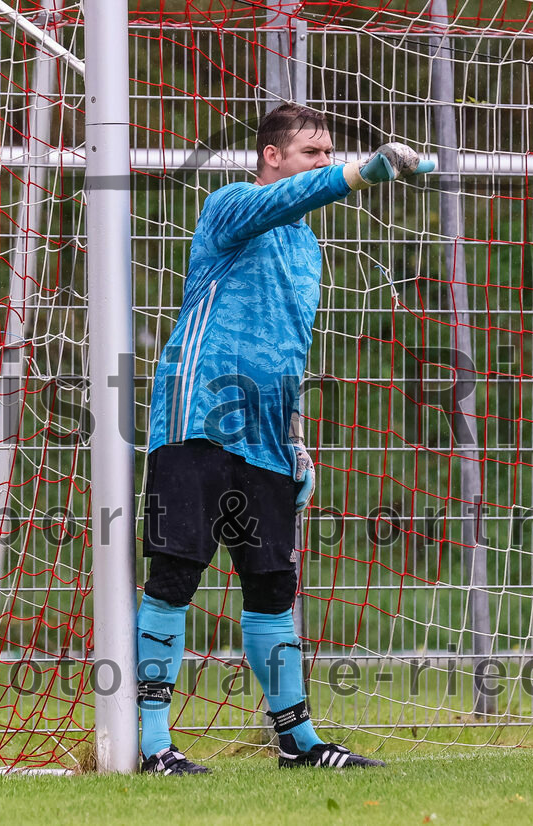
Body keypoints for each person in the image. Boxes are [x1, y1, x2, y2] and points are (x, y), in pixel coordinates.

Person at [136, 103, 435, 774]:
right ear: (274, 156)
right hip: (199, 423)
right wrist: (363, 172)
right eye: (313, 151)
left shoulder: (308, 247)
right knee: (175, 577)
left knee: (272, 587)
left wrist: (295, 436)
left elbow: (289, 346)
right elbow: (305, 192)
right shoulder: (230, 206)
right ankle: (151, 741)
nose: (324, 161)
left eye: (331, 152)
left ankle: (297, 743)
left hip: (268, 439)